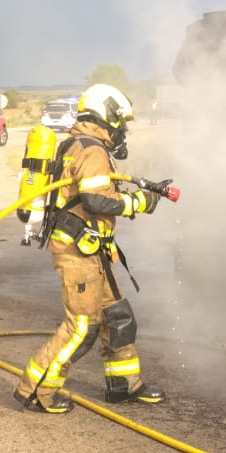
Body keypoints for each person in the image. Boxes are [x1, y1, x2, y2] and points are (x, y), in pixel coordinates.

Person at [17, 83, 165, 414]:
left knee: (118, 318)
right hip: (78, 256)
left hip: (94, 252)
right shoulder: (91, 149)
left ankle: (124, 386)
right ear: (107, 115)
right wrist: (139, 201)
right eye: (121, 120)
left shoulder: (82, 144)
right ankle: (36, 390)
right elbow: (96, 199)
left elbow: (90, 196)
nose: (123, 128)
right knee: (81, 327)